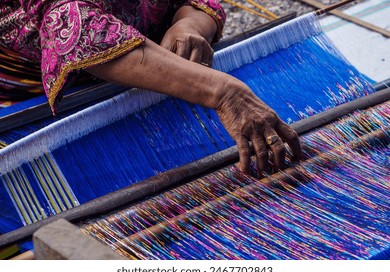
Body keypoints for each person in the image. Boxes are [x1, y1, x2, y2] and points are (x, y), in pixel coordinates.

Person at [0, 0, 302, 177]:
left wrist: (187, 26)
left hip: (149, 62)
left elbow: (202, 2)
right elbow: (75, 31)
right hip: (31, 106)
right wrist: (223, 92)